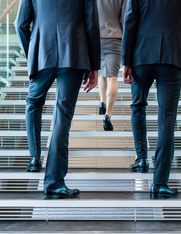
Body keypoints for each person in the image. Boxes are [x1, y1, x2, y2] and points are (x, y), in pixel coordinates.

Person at [15, 0, 100, 198]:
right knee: (62, 117)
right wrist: (94, 65)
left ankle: (35, 156)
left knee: (33, 102)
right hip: (74, 53)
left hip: (42, 52)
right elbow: (91, 25)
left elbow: (20, 24)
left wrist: (32, 54)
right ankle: (54, 182)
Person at [122, 0, 181, 198]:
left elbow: (130, 21)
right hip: (172, 58)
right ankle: (159, 182)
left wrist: (127, 61)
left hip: (141, 56)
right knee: (166, 119)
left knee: (137, 106)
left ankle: (141, 158)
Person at [96, 0, 127, 131]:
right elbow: (125, 18)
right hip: (115, 37)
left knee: (101, 73)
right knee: (112, 77)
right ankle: (108, 114)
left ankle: (102, 102)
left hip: (96, 37)